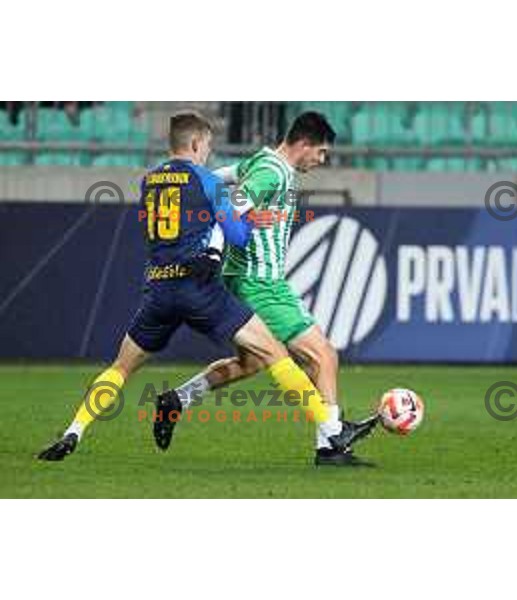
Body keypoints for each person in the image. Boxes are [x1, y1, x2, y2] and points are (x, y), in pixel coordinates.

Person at [38, 111, 358, 462]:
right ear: (195, 143)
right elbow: (235, 228)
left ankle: (73, 431)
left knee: (121, 368)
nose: (209, 151)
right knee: (285, 355)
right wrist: (243, 224)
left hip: (158, 290)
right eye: (207, 145)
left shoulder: (150, 181)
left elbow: (210, 191)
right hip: (201, 288)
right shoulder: (214, 181)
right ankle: (332, 431)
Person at [152, 112, 378, 467]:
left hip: (243, 279)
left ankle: (177, 399)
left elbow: (216, 177)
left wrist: (191, 184)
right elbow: (232, 209)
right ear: (303, 144)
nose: (321, 161)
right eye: (320, 152)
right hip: (260, 282)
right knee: (323, 355)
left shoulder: (261, 161)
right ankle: (332, 442)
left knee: (252, 362)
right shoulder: (272, 172)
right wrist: (227, 230)